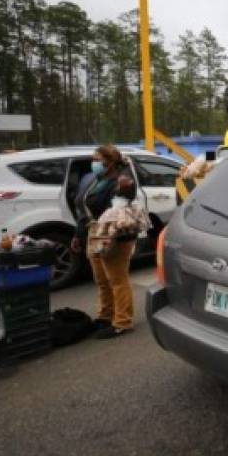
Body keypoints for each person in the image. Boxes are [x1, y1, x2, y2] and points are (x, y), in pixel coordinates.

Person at [71, 145, 137, 339]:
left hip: (114, 234)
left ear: (109, 162)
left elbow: (124, 200)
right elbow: (83, 209)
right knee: (101, 279)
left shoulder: (122, 181)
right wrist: (78, 234)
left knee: (117, 278)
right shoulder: (95, 180)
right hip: (93, 231)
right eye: (93, 159)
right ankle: (106, 316)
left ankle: (122, 321)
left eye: (97, 159)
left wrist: (125, 167)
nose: (94, 163)